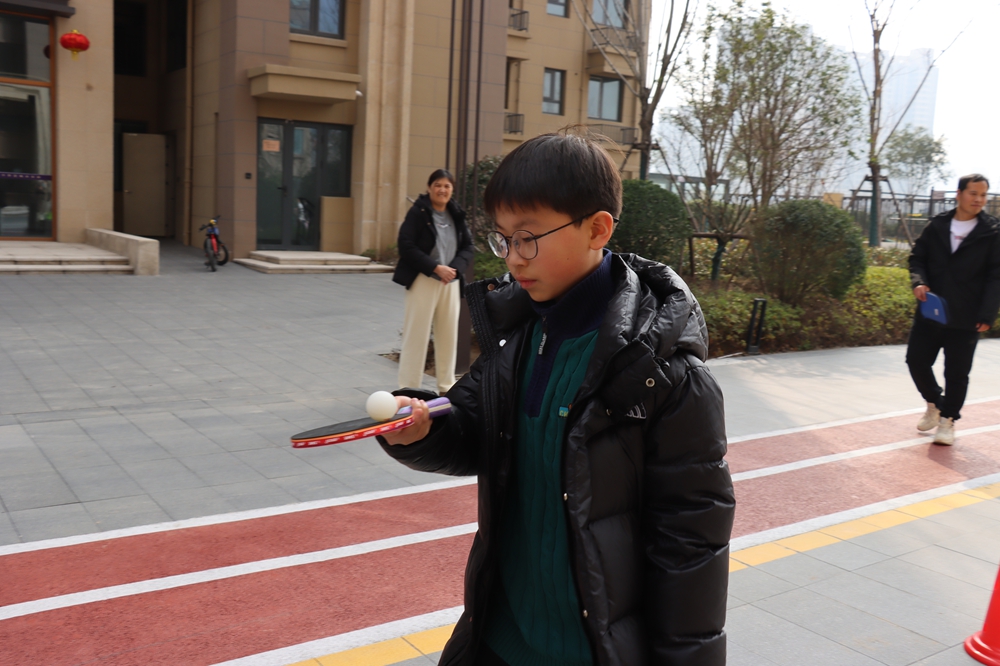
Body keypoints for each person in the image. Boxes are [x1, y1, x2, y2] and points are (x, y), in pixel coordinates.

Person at [379, 131, 735, 665]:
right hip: (497, 637)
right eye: (503, 239)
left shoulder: (664, 374)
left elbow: (691, 556)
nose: (513, 259)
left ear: (597, 229)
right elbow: (472, 427)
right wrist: (424, 426)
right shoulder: (518, 338)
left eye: (528, 237)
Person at [907, 173, 1000, 445]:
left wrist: (988, 313)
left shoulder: (992, 232)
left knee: (957, 373)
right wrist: (919, 282)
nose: (979, 199)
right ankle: (935, 404)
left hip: (967, 315)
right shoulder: (937, 225)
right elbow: (917, 258)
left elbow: (996, 276)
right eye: (973, 193)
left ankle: (948, 421)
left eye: (983, 195)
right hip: (931, 311)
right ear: (959, 194)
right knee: (916, 361)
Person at [393, 169, 474, 395]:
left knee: (448, 336)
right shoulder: (419, 212)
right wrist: (435, 268)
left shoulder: (456, 213)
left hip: (450, 282)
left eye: (447, 186)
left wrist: (454, 269)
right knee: (416, 335)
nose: (442, 190)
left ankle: (446, 388)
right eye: (438, 185)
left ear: (452, 189)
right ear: (429, 188)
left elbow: (468, 246)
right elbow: (406, 245)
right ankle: (408, 389)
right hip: (424, 279)